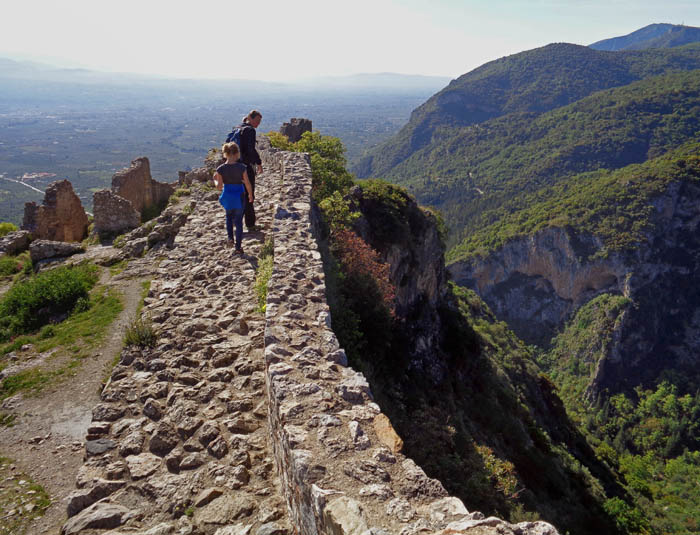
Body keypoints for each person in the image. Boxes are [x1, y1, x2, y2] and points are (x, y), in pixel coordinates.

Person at [213, 142, 253, 254]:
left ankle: (230, 238)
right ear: (237, 153)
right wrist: (250, 195)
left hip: (227, 195)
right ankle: (238, 247)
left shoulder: (220, 169)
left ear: (225, 153)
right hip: (239, 195)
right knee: (239, 222)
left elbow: (219, 187)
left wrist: (214, 179)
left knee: (228, 217)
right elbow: (247, 183)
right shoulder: (242, 167)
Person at [235, 110, 263, 229]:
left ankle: (236, 223)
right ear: (250, 119)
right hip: (246, 167)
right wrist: (259, 163)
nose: (257, 124)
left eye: (259, 122)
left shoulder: (240, 127)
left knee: (239, 194)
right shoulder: (250, 130)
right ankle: (250, 224)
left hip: (236, 166)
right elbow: (251, 149)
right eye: (256, 121)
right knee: (249, 195)